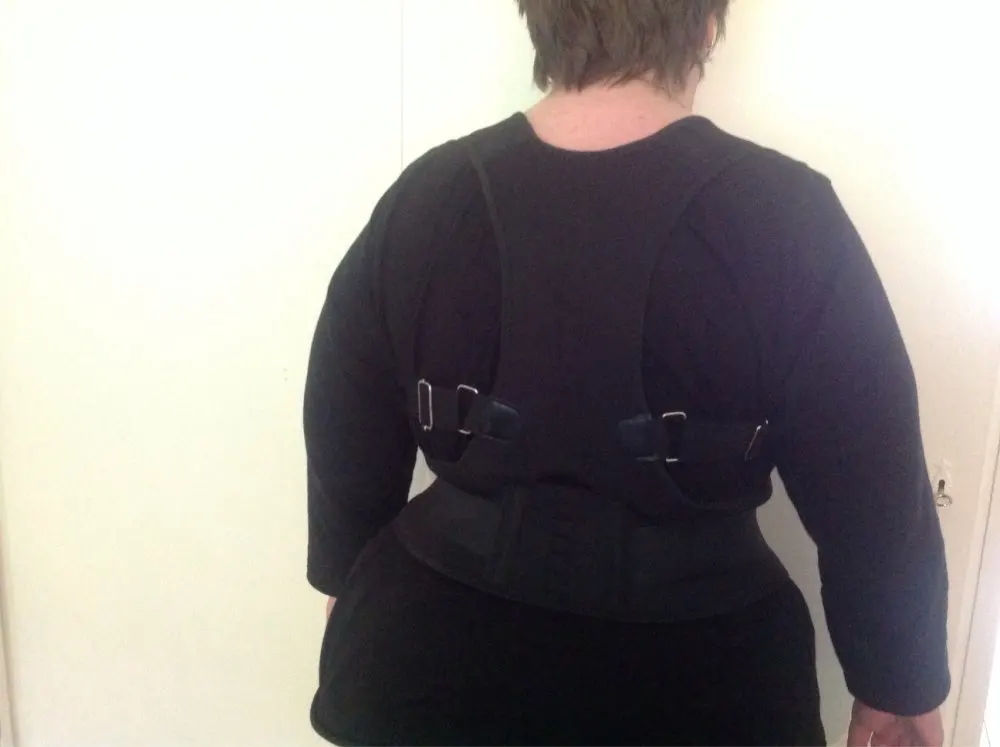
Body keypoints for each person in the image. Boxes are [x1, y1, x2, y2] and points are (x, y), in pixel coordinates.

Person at [303, 1, 950, 744]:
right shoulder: (787, 214)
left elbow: (343, 408)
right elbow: (870, 470)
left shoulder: (428, 194)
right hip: (702, 683)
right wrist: (897, 679)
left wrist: (347, 579)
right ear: (706, 27)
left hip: (424, 666)